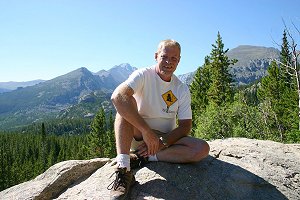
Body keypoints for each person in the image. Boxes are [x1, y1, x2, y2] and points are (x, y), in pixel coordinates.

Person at [108, 39, 210, 199]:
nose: (169, 62)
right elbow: (118, 96)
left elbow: (185, 126)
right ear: (156, 56)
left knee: (202, 149)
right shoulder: (143, 75)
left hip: (165, 141)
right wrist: (147, 132)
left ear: (179, 60)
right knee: (126, 103)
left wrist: (163, 141)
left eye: (174, 58)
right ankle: (123, 168)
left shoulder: (181, 89)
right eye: (164, 57)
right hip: (138, 135)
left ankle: (145, 157)